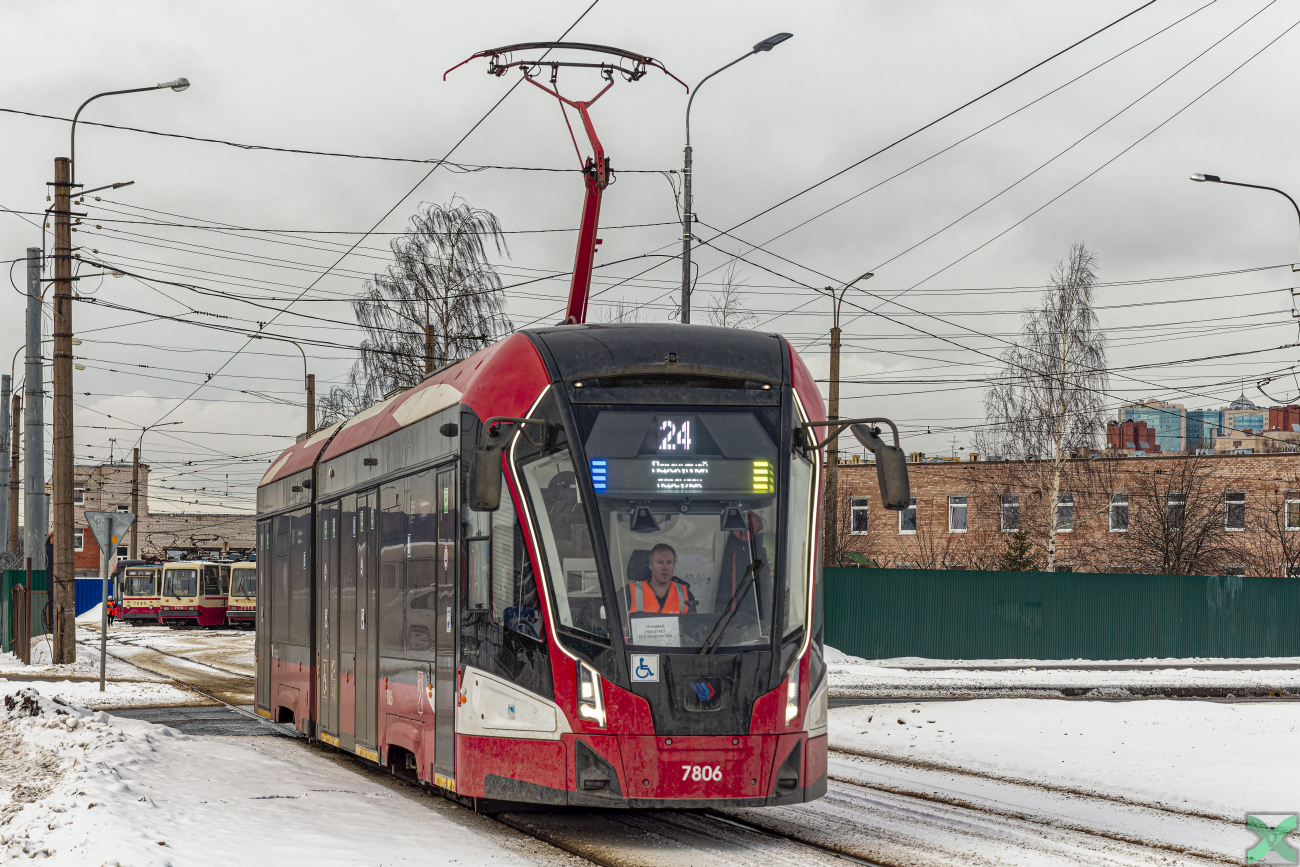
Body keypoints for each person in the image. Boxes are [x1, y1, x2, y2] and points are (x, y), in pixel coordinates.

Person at [626, 543, 697, 615]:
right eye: (660, 562)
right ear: (651, 565)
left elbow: (692, 621)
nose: (665, 568)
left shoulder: (685, 594)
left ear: (674, 565)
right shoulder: (628, 593)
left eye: (669, 562)